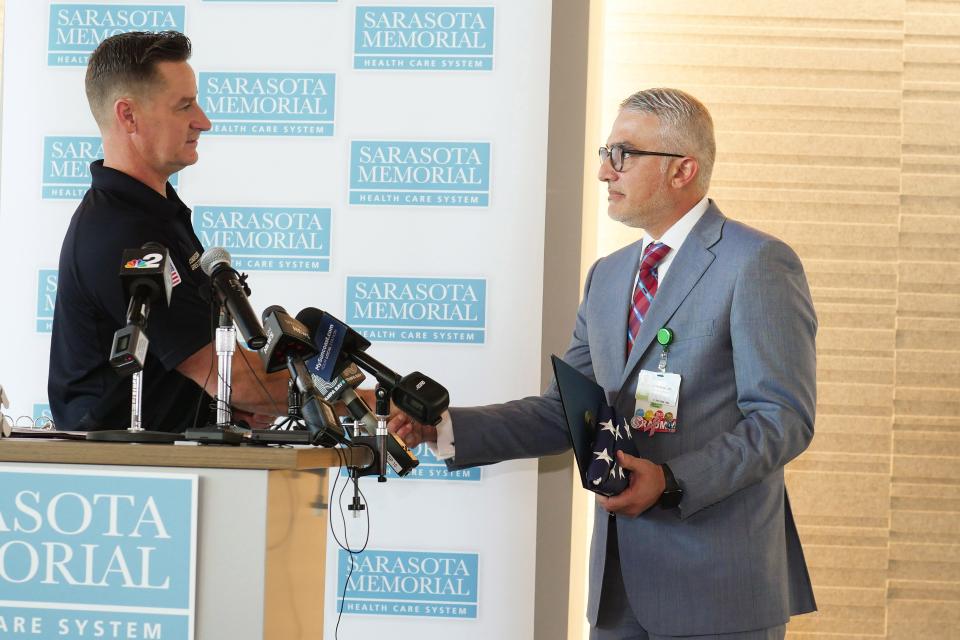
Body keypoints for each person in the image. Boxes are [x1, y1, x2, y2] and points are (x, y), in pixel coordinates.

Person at [391, 88, 818, 639]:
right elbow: (561, 412)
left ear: (682, 170)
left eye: (622, 154)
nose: (602, 172)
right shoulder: (609, 275)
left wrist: (671, 481)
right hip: (618, 595)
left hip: (718, 592)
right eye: (604, 152)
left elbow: (782, 420)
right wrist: (445, 427)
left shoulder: (757, 263)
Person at [48, 31, 287, 431]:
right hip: (130, 483)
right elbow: (234, 379)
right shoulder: (124, 234)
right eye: (185, 105)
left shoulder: (155, 215)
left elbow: (207, 373)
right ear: (128, 116)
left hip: (168, 471)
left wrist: (229, 407)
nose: (204, 121)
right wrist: (373, 405)